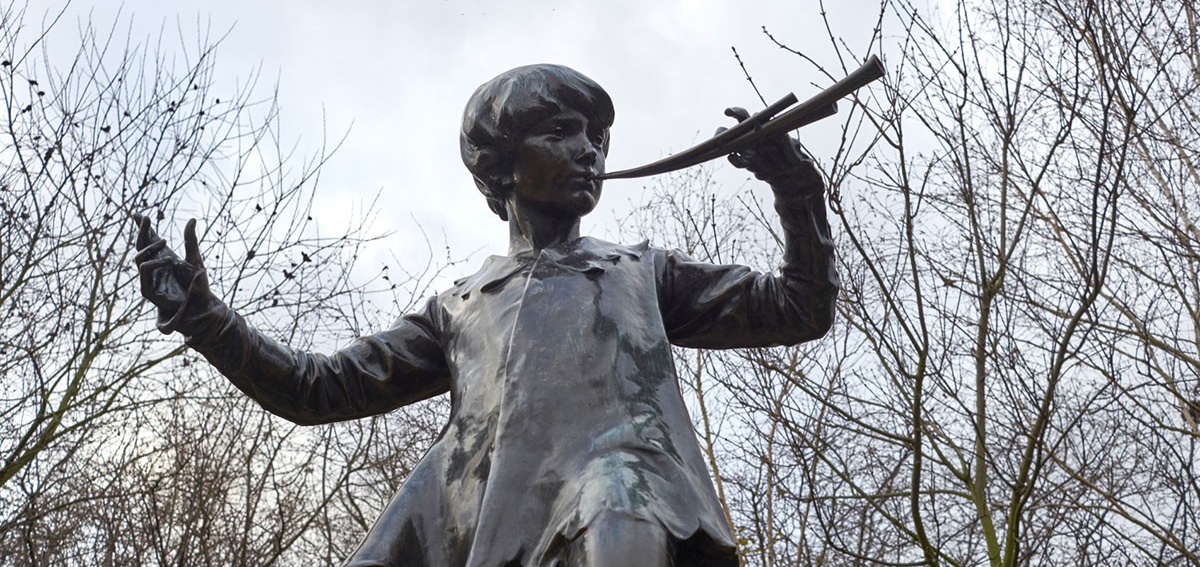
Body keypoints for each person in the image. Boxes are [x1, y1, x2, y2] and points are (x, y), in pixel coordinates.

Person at [135, 64, 838, 567]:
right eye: (562, 132)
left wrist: (794, 185)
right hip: (487, 509)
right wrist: (207, 322)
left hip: (628, 494)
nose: (588, 149)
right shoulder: (461, 309)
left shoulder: (640, 273)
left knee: (618, 494)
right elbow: (319, 389)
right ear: (501, 167)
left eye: (595, 137)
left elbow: (799, 307)